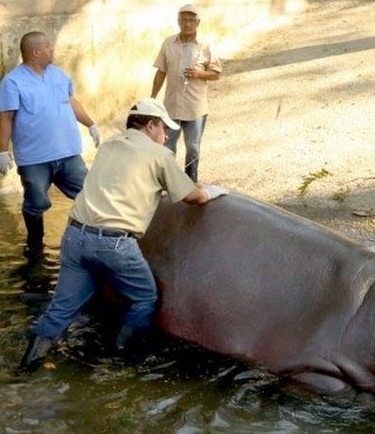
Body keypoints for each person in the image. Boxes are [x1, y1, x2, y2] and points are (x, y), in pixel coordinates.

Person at [19, 98, 227, 370]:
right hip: (113, 244)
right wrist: (213, 191)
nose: (166, 137)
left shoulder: (109, 146)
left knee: (60, 310)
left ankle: (24, 368)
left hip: (74, 236)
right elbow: (192, 196)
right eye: (164, 129)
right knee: (144, 298)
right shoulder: (159, 155)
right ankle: (120, 360)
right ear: (151, 125)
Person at [0, 31, 102, 256]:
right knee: (35, 202)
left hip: (68, 153)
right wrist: (2, 151)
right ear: (36, 52)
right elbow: (6, 118)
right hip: (35, 158)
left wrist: (90, 124)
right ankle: (35, 244)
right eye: (47, 47)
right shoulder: (13, 82)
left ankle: (95, 240)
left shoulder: (59, 75)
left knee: (89, 194)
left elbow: (72, 101)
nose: (52, 50)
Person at [150, 4, 223, 182]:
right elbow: (161, 71)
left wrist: (199, 74)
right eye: (183, 19)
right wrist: (152, 98)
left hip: (195, 108)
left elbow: (216, 73)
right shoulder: (168, 43)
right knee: (166, 147)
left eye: (191, 20)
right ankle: (169, 184)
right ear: (178, 21)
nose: (187, 24)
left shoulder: (206, 45)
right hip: (171, 107)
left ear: (198, 23)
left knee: (193, 148)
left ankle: (191, 183)